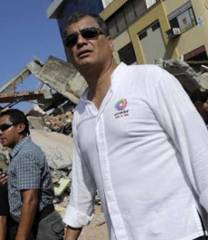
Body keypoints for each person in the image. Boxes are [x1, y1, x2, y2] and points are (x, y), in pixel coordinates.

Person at [62, 12, 208, 240]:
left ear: (109, 42)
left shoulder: (151, 80)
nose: (80, 42)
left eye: (89, 33)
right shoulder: (81, 114)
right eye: (71, 40)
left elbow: (200, 154)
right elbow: (81, 193)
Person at [0, 109, 64, 240]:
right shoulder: (20, 154)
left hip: (41, 225)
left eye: (4, 128)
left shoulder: (25, 155)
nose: (0, 133)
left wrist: (21, 237)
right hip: (34, 223)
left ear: (20, 127)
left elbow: (31, 200)